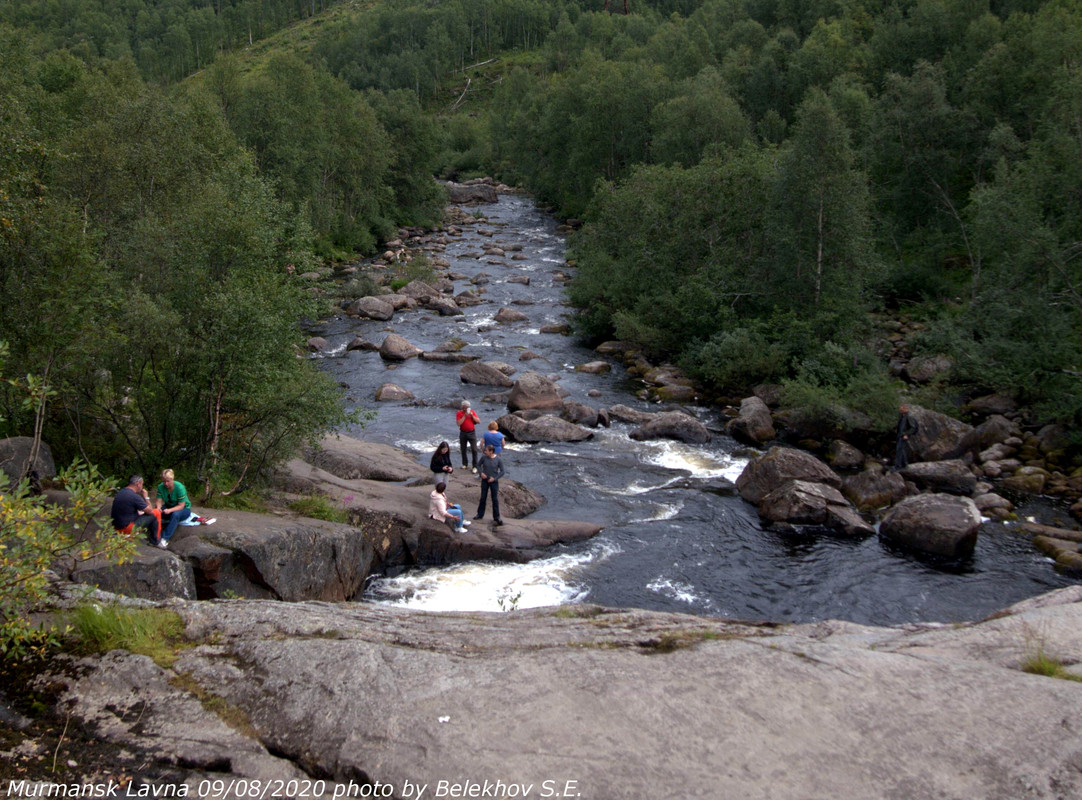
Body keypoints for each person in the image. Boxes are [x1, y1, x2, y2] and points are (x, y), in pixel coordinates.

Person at [110, 475, 161, 545]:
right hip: (127, 528)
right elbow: (150, 511)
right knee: (156, 512)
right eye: (142, 484)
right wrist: (146, 497)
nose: (142, 487)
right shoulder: (134, 496)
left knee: (140, 513)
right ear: (138, 484)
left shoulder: (121, 492)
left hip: (116, 528)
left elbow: (127, 511)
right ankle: (156, 541)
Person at [155, 468, 192, 548]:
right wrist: (158, 508)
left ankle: (165, 539)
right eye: (164, 481)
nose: (166, 483)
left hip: (183, 509)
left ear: (172, 479)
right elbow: (159, 501)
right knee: (155, 511)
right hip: (168, 506)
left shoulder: (179, 487)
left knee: (175, 515)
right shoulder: (161, 487)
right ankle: (155, 535)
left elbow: (181, 505)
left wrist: (169, 510)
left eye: (168, 481)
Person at [474, 443, 505, 526]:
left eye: (486, 451)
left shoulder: (498, 459)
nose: (485, 452)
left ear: (491, 451)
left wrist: (494, 478)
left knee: (494, 499)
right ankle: (479, 514)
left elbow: (502, 471)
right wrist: (481, 473)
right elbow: (478, 465)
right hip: (485, 480)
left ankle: (497, 517)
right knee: (483, 497)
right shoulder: (484, 458)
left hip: (493, 481)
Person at [456, 400, 481, 473]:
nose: (466, 409)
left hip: (471, 433)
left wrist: (472, 415)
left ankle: (475, 466)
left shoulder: (472, 412)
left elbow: (479, 421)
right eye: (465, 408)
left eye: (467, 408)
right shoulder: (459, 413)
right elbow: (458, 423)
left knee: (474, 449)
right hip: (463, 433)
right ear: (462, 407)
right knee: (463, 449)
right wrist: (465, 416)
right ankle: (464, 463)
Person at [894, 404, 919, 471]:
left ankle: (898, 466)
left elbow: (912, 428)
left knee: (899, 450)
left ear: (905, 409)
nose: (900, 409)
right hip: (900, 435)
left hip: (904, 436)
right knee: (901, 450)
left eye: (901, 408)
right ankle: (904, 464)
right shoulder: (902, 416)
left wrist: (906, 434)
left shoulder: (909, 417)